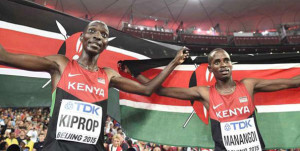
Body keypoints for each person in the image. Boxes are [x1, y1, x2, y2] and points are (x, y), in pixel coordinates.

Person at [0, 20, 189, 151]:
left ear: (106, 44)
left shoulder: (107, 75)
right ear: (81, 38)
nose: (98, 36)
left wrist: (174, 62)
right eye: (92, 31)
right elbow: (5, 57)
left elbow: (147, 90)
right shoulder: (61, 65)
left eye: (103, 34)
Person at [124, 48, 300, 151]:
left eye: (226, 60)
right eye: (217, 62)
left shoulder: (248, 85)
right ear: (210, 68)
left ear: (231, 64)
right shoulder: (205, 93)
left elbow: (291, 82)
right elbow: (160, 90)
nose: (223, 64)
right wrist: (138, 72)